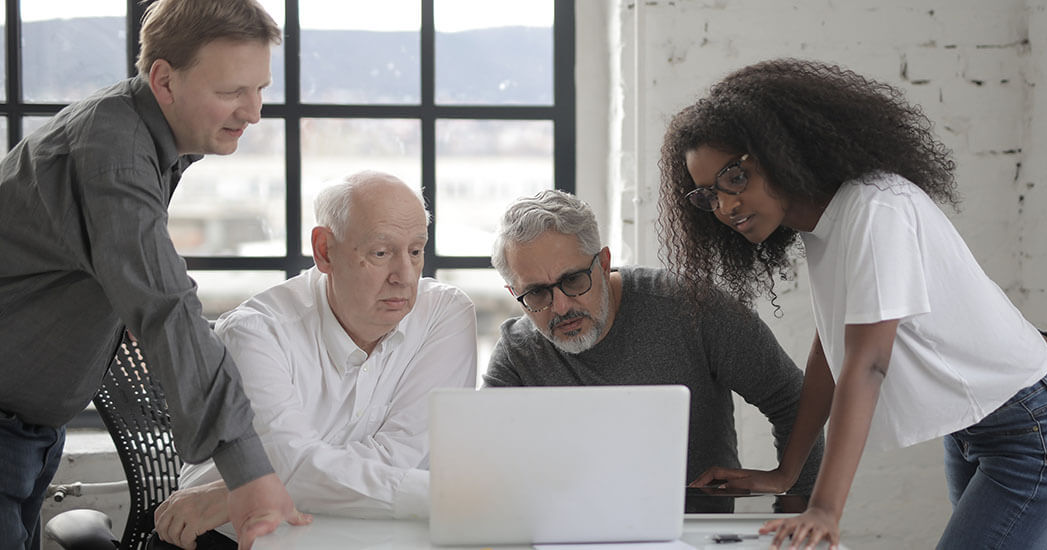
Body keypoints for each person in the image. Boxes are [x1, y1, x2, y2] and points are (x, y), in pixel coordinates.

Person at [657, 58, 1047, 549]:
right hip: (977, 427)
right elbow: (833, 349)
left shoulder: (876, 209)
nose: (725, 206)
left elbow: (867, 362)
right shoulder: (823, 221)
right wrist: (786, 472)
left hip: (1037, 426)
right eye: (707, 195)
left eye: (734, 178)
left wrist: (825, 509)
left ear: (777, 148)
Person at [0, 1, 309, 548]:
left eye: (260, 88)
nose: (255, 111)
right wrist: (247, 469)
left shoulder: (139, 137)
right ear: (164, 80)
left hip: (28, 432)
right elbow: (166, 305)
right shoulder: (113, 155)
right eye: (233, 91)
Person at [152, 171, 478, 549]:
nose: (404, 276)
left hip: (370, 537)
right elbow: (298, 466)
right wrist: (448, 498)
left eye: (416, 251)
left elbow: (406, 456)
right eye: (381, 253)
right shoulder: (255, 332)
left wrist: (244, 488)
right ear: (325, 251)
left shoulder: (445, 313)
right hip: (237, 541)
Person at [484, 189, 824, 508]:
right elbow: (481, 456)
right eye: (537, 294)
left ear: (603, 262)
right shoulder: (518, 353)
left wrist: (795, 507)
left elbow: (793, 400)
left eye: (573, 280)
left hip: (693, 535)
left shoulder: (692, 307)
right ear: (513, 292)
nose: (560, 307)